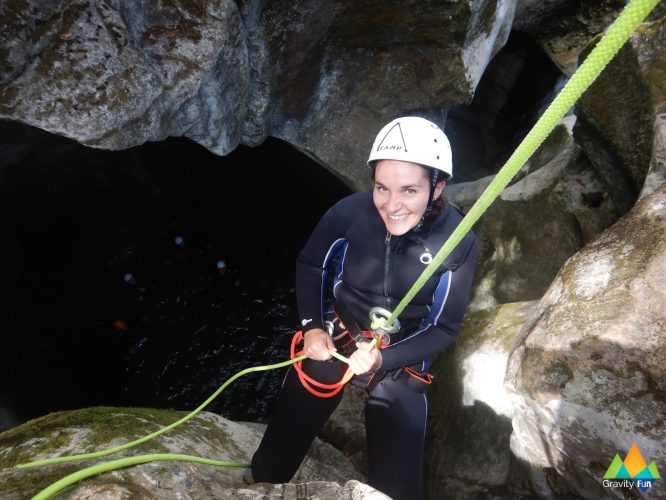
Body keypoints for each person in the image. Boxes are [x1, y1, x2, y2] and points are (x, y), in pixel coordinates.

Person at [250, 116, 478, 499]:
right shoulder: (349, 215)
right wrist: (313, 329)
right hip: (342, 331)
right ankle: (261, 483)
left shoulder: (456, 242)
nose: (392, 205)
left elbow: (443, 328)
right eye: (381, 188)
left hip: (401, 354)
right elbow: (311, 265)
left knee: (398, 485)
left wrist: (380, 361)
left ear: (437, 187)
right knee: (301, 399)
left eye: (409, 190)